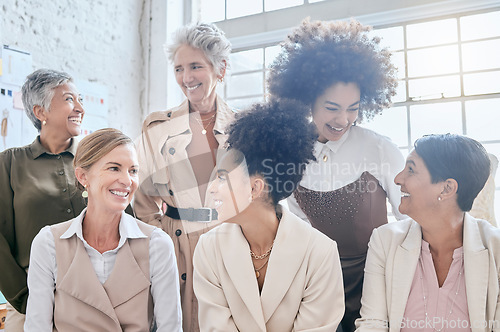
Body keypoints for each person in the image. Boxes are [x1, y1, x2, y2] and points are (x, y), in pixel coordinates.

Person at [267, 19, 405, 332]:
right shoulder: (290, 153)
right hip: (319, 281)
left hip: (378, 278)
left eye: (353, 108)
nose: (344, 119)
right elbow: (298, 222)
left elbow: (408, 217)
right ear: (307, 100)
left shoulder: (379, 148)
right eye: (332, 108)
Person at [193, 99, 345, 332]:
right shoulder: (208, 248)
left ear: (254, 188)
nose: (211, 188)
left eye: (222, 177)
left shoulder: (320, 253)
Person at [24, 128, 182, 331]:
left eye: (133, 170)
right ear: (83, 176)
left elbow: (170, 327)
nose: (127, 181)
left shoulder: (157, 244)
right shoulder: (48, 243)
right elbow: (37, 327)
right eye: (114, 168)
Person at [134, 21, 234, 331]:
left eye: (195, 66)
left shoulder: (245, 126)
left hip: (230, 239)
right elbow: (141, 200)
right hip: (175, 243)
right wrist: (161, 239)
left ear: (220, 68)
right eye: (179, 68)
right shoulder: (156, 127)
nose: (186, 78)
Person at [356, 134, 500, 332]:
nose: (398, 179)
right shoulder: (385, 241)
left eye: (411, 170)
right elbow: (372, 324)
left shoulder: (496, 249)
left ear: (447, 188)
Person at [0, 69, 87, 331]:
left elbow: (126, 224)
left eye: (80, 99)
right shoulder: (10, 163)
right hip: (30, 303)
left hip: (95, 299)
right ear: (41, 113)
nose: (80, 108)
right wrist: (25, 299)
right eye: (70, 99)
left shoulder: (98, 159)